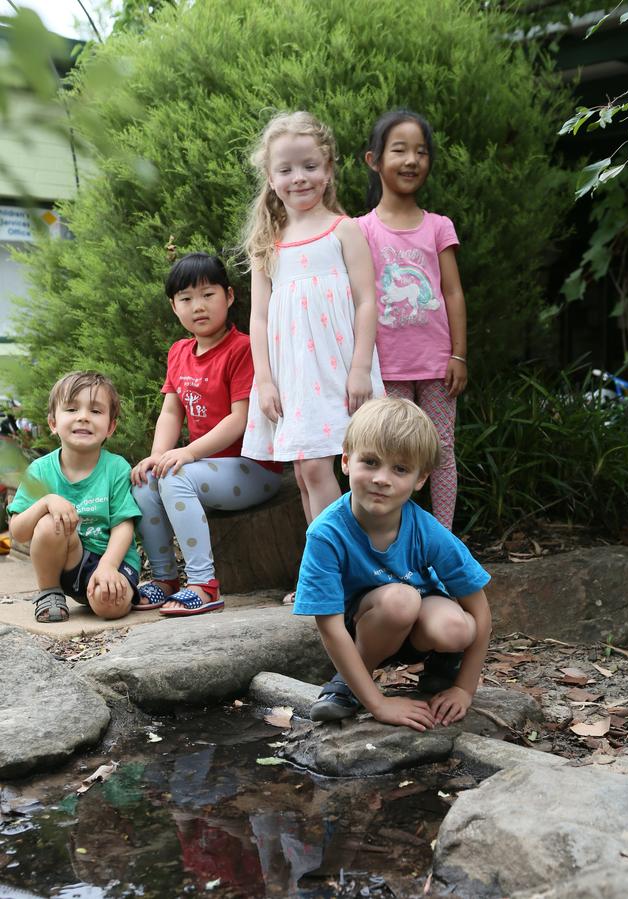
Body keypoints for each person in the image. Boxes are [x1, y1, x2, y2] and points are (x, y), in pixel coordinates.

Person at [240, 111, 384, 602]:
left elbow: (367, 299)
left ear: (329, 168)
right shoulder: (267, 243)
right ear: (271, 177)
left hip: (338, 368)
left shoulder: (344, 230)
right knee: (304, 471)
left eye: (309, 166)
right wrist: (264, 380)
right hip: (292, 375)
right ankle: (324, 566)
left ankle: (337, 573)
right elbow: (258, 318)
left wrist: (361, 367)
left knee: (324, 469)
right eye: (286, 169)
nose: (298, 177)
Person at [293, 397, 491, 731]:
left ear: (420, 479)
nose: (382, 478)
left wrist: (464, 688)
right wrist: (379, 703)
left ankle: (443, 670)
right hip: (367, 628)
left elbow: (480, 611)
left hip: (420, 627)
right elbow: (329, 627)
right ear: (345, 461)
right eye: (370, 462)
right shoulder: (326, 534)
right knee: (401, 600)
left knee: (454, 626)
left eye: (399, 469)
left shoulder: (428, 531)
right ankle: (349, 684)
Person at [131, 253, 283, 616]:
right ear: (174, 306)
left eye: (207, 294)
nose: (197, 306)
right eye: (186, 298)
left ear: (229, 296)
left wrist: (187, 453)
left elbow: (239, 419)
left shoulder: (242, 348)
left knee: (175, 475)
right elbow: (171, 409)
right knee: (143, 480)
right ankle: (165, 578)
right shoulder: (180, 352)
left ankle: (203, 584)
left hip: (254, 468)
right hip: (206, 469)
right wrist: (157, 454)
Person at [357, 109, 468, 530]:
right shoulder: (361, 230)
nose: (411, 161)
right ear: (374, 160)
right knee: (391, 453)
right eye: (399, 150)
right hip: (388, 368)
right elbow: (358, 298)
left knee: (440, 450)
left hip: (438, 365)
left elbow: (453, 292)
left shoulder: (438, 227)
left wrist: (459, 355)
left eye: (421, 152)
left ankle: (443, 537)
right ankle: (394, 536)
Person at [8, 371, 141, 623]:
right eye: (71, 409)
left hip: (112, 559)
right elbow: (19, 532)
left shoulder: (116, 468)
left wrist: (108, 566)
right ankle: (49, 593)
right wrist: (45, 502)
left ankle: (106, 591)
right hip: (69, 560)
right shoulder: (40, 470)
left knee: (109, 607)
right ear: (53, 423)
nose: (83, 417)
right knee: (49, 523)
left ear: (111, 426)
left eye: (96, 411)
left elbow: (123, 525)